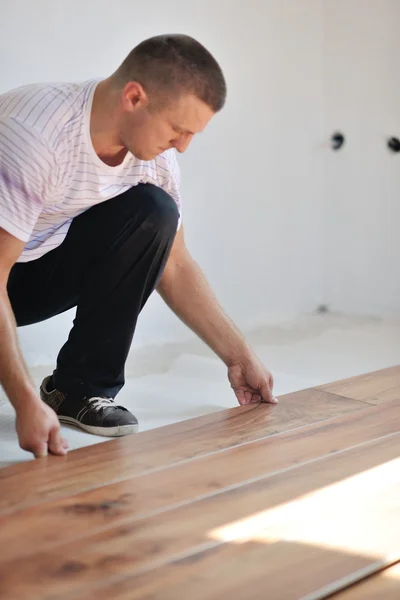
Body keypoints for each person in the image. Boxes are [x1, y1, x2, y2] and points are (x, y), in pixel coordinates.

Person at [0, 33, 277, 460]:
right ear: (134, 97)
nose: (183, 145)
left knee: (154, 211)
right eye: (178, 129)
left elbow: (176, 265)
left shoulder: (155, 161)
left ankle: (77, 390)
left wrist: (239, 357)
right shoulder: (36, 134)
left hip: (28, 270)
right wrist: (22, 403)